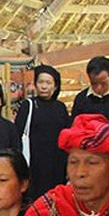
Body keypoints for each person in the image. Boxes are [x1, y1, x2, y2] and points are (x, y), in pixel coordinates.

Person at [14, 65, 70, 200]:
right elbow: (17, 135)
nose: (44, 86)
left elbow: (67, 137)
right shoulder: (27, 106)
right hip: (34, 164)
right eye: (41, 82)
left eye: (48, 83)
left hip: (57, 164)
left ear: (55, 86)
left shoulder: (60, 108)